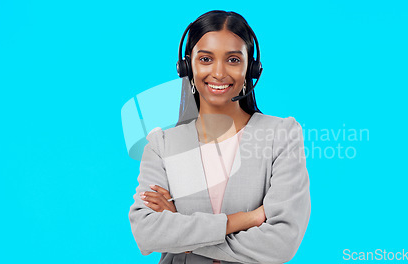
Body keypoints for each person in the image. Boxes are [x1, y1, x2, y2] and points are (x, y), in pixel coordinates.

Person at [129, 10, 311, 264]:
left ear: (252, 68)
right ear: (187, 66)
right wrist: (243, 220)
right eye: (205, 59)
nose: (218, 72)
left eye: (233, 60)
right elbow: (146, 232)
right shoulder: (162, 145)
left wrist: (183, 238)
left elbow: (281, 243)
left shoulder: (281, 135)